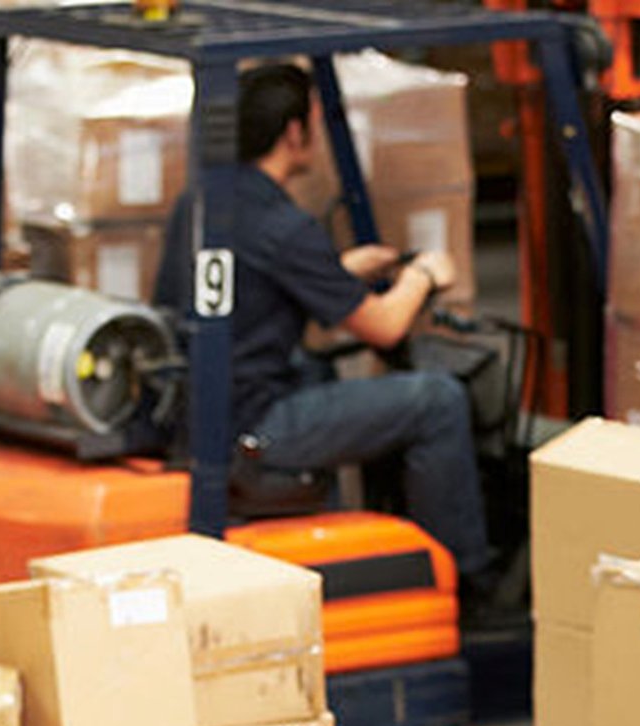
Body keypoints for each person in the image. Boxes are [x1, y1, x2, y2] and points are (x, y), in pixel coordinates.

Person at [154, 61, 506, 618]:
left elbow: (251, 288)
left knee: (319, 368)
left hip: (199, 417)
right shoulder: (285, 226)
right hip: (255, 429)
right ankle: (468, 585)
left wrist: (341, 271)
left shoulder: (200, 201)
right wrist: (425, 275)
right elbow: (385, 326)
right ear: (294, 133)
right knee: (435, 401)